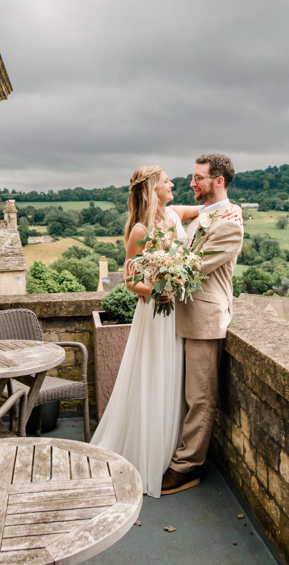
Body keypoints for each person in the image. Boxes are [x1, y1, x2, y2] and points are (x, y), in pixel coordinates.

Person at [90, 164, 241, 498]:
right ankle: (148, 455)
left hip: (178, 315)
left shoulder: (174, 215)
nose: (173, 183)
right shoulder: (140, 231)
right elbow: (130, 281)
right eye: (165, 180)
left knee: (175, 384)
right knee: (152, 378)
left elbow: (211, 209)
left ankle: (167, 451)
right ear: (151, 189)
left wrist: (237, 212)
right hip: (157, 312)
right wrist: (157, 291)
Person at [161, 154, 244, 495]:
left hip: (207, 320)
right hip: (187, 317)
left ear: (218, 181)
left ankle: (187, 466)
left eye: (198, 178)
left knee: (200, 396)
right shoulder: (207, 216)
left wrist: (154, 278)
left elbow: (192, 269)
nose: (191, 183)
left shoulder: (229, 224)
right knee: (187, 394)